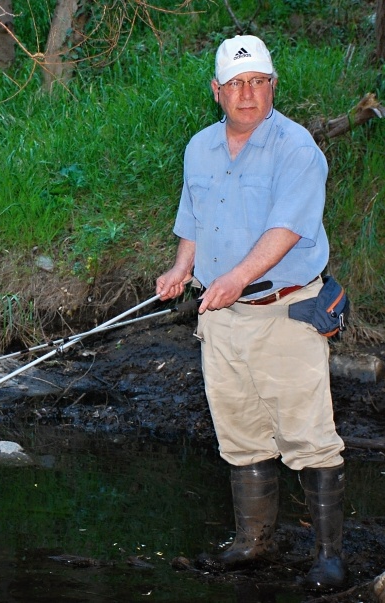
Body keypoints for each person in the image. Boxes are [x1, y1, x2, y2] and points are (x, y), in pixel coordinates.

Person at [155, 34, 347, 591]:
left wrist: (236, 278)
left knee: (310, 436)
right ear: (217, 91)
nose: (247, 94)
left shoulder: (297, 149)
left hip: (284, 311)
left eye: (258, 82)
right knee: (240, 434)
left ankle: (330, 556)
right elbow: (193, 219)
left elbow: (287, 229)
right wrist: (180, 269)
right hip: (221, 320)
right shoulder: (199, 148)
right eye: (236, 84)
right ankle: (251, 544)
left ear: (272, 87)